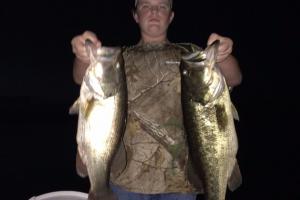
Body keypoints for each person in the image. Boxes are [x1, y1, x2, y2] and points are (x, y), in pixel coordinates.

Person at [71, 0, 242, 199]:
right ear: (135, 15)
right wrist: (83, 55)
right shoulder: (117, 58)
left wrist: (222, 54)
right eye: (146, 6)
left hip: (181, 180)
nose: (154, 11)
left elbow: (234, 78)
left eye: (162, 6)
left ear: (171, 16)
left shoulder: (192, 55)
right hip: (125, 178)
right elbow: (79, 77)